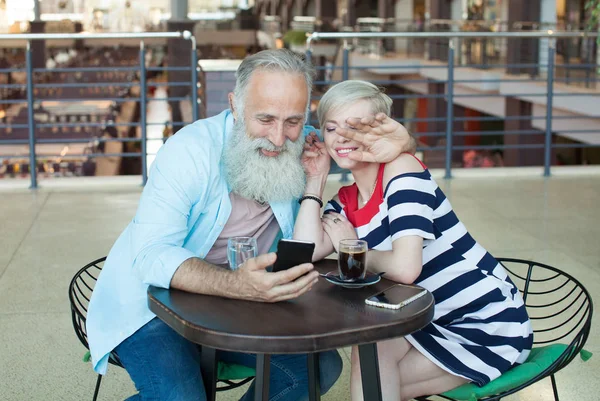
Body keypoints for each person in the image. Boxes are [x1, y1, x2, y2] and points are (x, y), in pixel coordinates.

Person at [86, 51, 416, 401]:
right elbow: (151, 256)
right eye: (265, 119)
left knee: (319, 367)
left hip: (238, 308)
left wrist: (402, 145)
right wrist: (235, 284)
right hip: (151, 306)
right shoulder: (187, 151)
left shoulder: (306, 143)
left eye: (292, 120)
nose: (278, 137)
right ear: (235, 105)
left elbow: (368, 152)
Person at [294, 80, 534, 401]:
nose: (342, 138)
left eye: (356, 127)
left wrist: (352, 249)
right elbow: (304, 252)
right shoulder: (346, 199)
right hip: (427, 319)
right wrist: (316, 179)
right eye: (331, 127)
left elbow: (406, 269)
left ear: (380, 130)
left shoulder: (401, 171)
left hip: (486, 322)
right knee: (372, 356)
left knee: (374, 383)